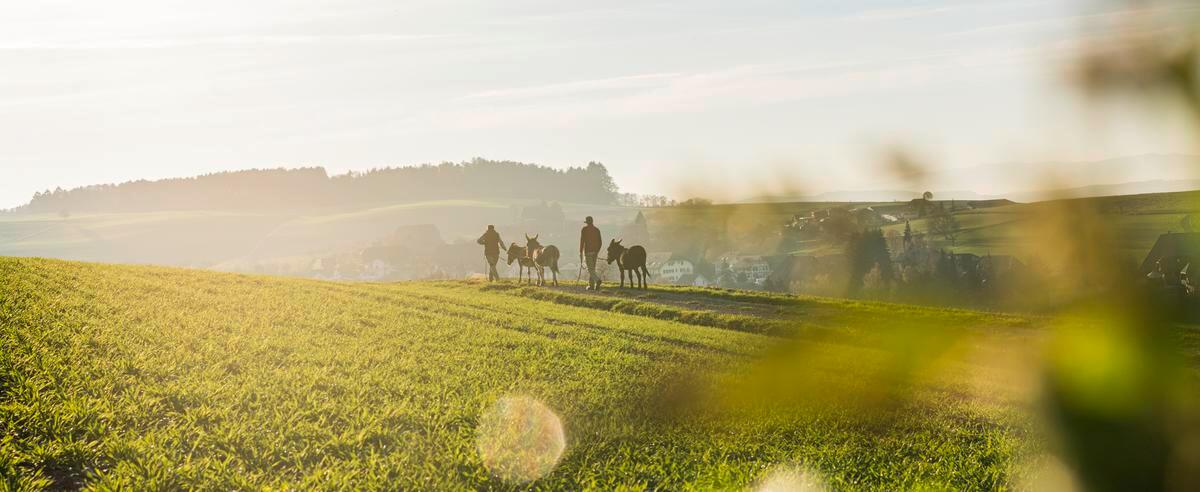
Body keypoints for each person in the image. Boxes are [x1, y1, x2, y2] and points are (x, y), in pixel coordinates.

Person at [580, 216, 603, 290]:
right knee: (592, 269)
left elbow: (582, 241)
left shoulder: (584, 229)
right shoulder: (597, 230)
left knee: (590, 269)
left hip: (588, 252)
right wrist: (597, 251)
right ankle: (592, 286)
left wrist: (580, 251)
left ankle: (597, 281)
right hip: (595, 252)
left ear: (587, 222)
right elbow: (600, 242)